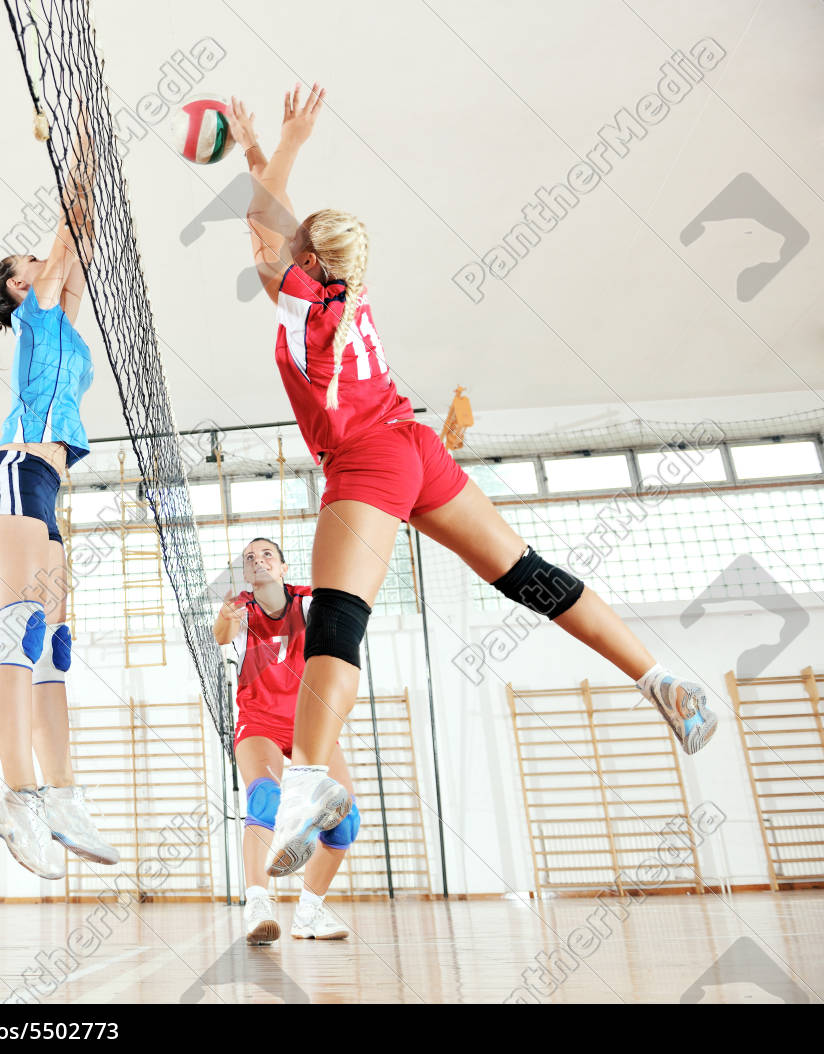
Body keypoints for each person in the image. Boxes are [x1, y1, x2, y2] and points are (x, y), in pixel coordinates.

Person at [228, 84, 717, 879]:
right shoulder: (342, 297)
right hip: (418, 446)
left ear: (307, 261)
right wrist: (259, 149)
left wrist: (286, 141)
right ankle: (659, 678)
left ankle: (310, 784)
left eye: (288, 247)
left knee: (338, 621)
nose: (269, 250)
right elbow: (268, 212)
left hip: (369, 458)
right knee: (528, 575)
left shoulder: (306, 304)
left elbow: (259, 219)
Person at [0, 123, 117, 879]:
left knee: (54, 644)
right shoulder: (40, 313)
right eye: (31, 264)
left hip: (45, 490)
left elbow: (79, 249)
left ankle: (60, 796)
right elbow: (74, 230)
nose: (46, 265)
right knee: (16, 629)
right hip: (15, 472)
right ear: (20, 289)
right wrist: (82, 146)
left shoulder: (61, 328)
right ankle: (13, 795)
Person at [214, 538, 354, 943]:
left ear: (283, 567)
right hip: (259, 721)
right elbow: (221, 635)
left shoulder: (309, 603)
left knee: (345, 820)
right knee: (265, 800)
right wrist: (226, 615)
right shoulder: (239, 608)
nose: (258, 561)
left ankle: (310, 912)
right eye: (249, 559)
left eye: (266, 556)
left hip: (311, 723)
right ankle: (258, 903)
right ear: (245, 573)